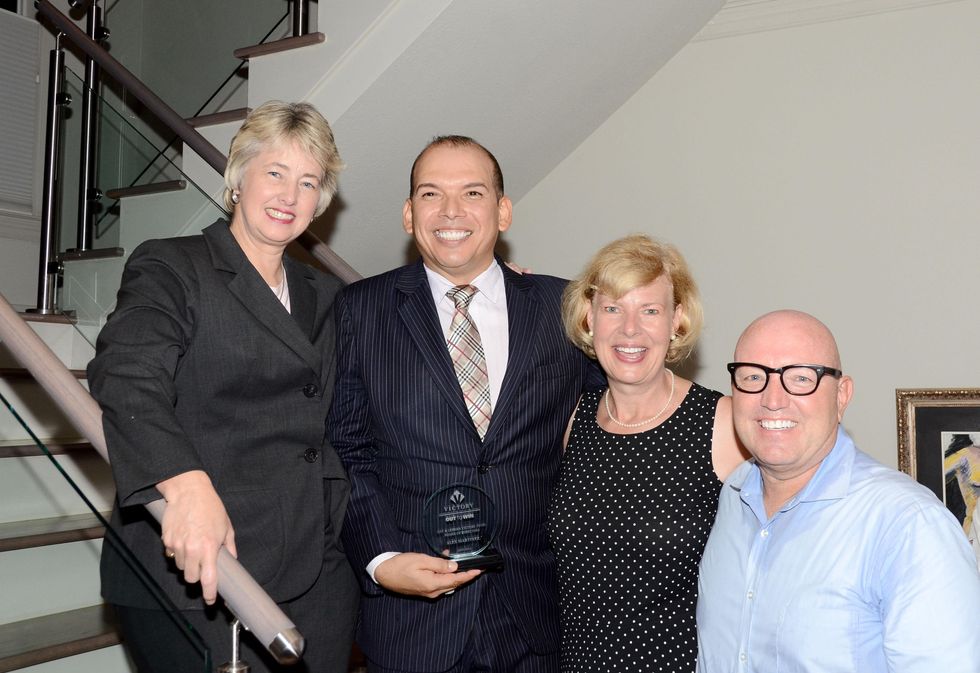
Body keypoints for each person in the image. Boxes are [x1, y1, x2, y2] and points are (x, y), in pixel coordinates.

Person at [88, 101, 358, 673]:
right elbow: (126, 372)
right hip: (201, 567)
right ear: (239, 179)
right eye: (275, 173)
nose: (290, 195)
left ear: (321, 202)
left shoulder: (326, 294)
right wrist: (185, 487)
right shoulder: (172, 266)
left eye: (308, 182)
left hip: (317, 572)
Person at [329, 135, 602, 673]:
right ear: (409, 215)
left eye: (472, 193)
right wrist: (382, 561)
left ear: (502, 212)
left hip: (537, 614)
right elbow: (345, 451)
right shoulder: (360, 312)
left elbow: (618, 415)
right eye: (431, 195)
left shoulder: (563, 306)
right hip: (413, 620)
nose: (451, 211)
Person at [696, 310, 980, 672]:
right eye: (753, 376)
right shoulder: (731, 501)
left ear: (842, 395)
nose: (772, 398)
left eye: (800, 378)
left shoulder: (908, 525)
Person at [549, 234, 745, 673]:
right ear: (589, 318)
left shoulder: (722, 424)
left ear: (676, 320)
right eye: (613, 308)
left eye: (650, 310)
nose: (630, 329)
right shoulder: (574, 419)